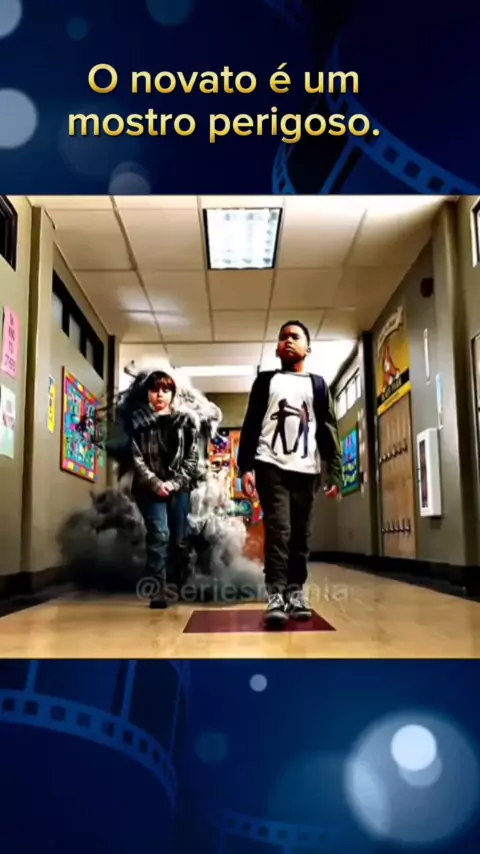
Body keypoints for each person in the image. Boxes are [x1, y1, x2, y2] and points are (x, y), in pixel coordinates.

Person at [238, 321, 342, 627]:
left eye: (295, 336)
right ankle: (276, 594)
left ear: (308, 348)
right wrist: (245, 467)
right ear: (276, 348)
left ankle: (295, 591)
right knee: (279, 530)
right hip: (270, 465)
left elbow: (328, 430)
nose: (288, 340)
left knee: (300, 533)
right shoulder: (265, 381)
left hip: (306, 469)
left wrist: (335, 472)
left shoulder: (318, 385)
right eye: (283, 337)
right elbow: (251, 424)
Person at [105, 369, 199, 609]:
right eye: (155, 390)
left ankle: (176, 583)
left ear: (172, 394)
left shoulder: (185, 422)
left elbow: (192, 458)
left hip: (180, 489)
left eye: (165, 390)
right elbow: (136, 458)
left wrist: (173, 483)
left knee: (178, 540)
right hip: (148, 489)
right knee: (159, 535)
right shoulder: (137, 422)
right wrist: (157, 484)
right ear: (147, 393)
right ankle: (158, 590)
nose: (160, 395)